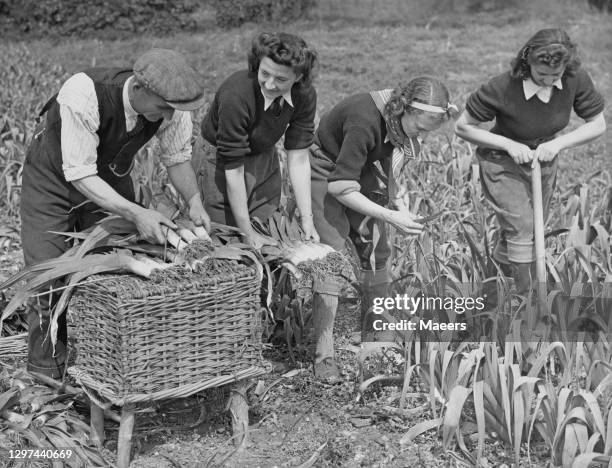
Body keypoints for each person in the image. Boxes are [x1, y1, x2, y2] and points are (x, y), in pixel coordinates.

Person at [21, 48, 211, 378]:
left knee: (114, 267)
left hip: (109, 177)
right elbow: (78, 173)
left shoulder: (171, 105)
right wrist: (137, 213)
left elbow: (176, 157)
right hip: (51, 181)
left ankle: (105, 366)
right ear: (138, 88)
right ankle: (45, 373)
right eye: (163, 108)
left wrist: (194, 200)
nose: (168, 117)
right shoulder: (83, 93)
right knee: (46, 274)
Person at [309, 77, 458, 381]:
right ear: (404, 108)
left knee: (378, 250)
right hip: (328, 170)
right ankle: (324, 355)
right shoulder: (365, 120)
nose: (423, 135)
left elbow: (391, 173)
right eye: (421, 127)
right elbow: (340, 186)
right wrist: (389, 216)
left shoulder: (402, 124)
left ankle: (375, 339)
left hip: (365, 169)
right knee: (330, 256)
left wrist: (400, 210)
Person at [455, 28, 606, 294]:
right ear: (528, 62)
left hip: (543, 160)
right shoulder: (502, 87)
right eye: (542, 74)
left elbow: (598, 124)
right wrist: (509, 144)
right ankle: (526, 299)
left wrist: (557, 143)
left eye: (556, 74)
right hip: (502, 161)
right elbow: (463, 127)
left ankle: (496, 289)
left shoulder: (575, 79)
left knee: (530, 232)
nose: (549, 80)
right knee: (522, 228)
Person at [196, 32, 319, 247]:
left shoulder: (304, 94)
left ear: (298, 77)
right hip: (220, 160)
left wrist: (307, 218)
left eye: (281, 79)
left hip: (263, 154)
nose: (270, 84)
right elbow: (233, 169)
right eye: (265, 73)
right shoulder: (237, 94)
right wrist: (245, 233)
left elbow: (298, 156)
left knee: (268, 225)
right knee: (227, 236)